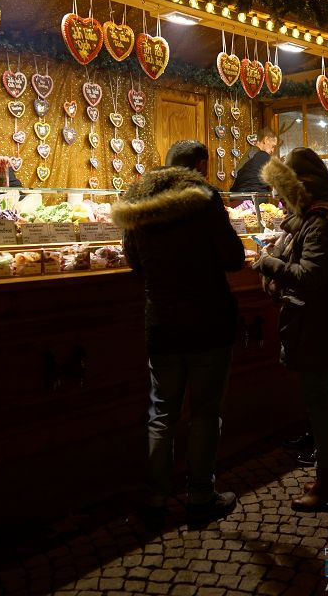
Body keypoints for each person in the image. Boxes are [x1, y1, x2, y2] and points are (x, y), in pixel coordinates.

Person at [111, 140, 247, 528]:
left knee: (162, 414)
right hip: (208, 321)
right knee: (205, 413)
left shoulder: (138, 199)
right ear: (201, 165)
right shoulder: (204, 199)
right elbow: (233, 258)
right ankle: (201, 496)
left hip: (163, 323)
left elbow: (134, 260)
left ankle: (155, 498)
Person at [252, 147, 328, 511]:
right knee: (327, 399)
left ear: (299, 188)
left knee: (321, 403)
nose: (277, 199)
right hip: (323, 324)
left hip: (316, 325)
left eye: (282, 191)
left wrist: (268, 263)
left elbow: (310, 276)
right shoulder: (325, 216)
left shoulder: (318, 221)